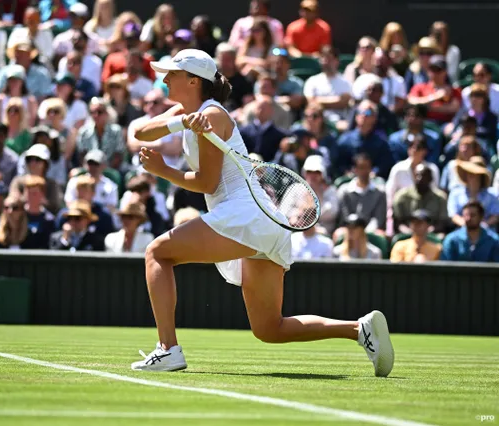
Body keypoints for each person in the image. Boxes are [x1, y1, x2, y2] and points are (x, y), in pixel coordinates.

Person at [131, 48, 394, 376]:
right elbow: (140, 132)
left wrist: (162, 170)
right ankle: (359, 329)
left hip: (244, 216)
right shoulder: (190, 113)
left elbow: (207, 183)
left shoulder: (212, 116)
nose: (165, 78)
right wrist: (182, 121)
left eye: (172, 73)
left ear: (193, 80)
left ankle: (168, 349)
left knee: (157, 253)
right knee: (269, 329)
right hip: (265, 221)